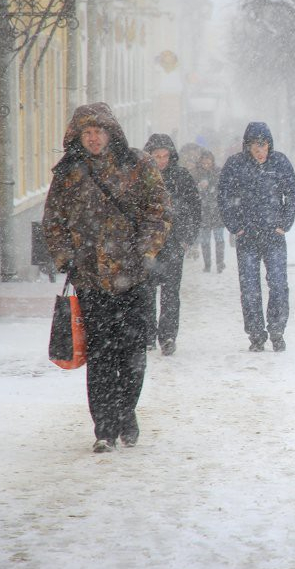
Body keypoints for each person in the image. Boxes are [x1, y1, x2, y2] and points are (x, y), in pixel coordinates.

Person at [42, 102, 171, 453]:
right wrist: (65, 255)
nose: (94, 138)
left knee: (132, 354)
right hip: (91, 280)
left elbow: (159, 210)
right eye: (87, 132)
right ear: (77, 136)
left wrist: (147, 251)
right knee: (100, 355)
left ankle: (126, 413)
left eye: (99, 131)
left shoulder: (138, 164)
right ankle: (104, 427)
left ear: (111, 132)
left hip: (133, 278)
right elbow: (53, 220)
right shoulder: (68, 172)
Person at [218, 122, 295, 352]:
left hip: (274, 236)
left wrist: (284, 223)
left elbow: (292, 193)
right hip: (247, 237)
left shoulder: (280, 162)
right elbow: (224, 196)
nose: (260, 150)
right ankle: (255, 334)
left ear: (269, 145)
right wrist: (236, 226)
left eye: (263, 145)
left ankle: (277, 330)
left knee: (278, 284)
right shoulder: (235, 164)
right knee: (250, 288)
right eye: (255, 145)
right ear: (248, 146)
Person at [142, 133, 201, 356]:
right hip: (147, 245)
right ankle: (147, 335)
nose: (161, 160)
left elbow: (195, 208)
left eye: (165, 156)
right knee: (145, 291)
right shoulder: (141, 176)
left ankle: (167, 336)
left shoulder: (181, 176)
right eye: (157, 156)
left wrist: (187, 238)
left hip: (174, 243)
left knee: (171, 292)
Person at [193, 149, 226, 273]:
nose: (206, 164)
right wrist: (199, 187)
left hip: (216, 211)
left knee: (219, 238)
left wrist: (211, 186)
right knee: (205, 240)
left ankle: (220, 263)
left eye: (208, 161)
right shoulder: (196, 174)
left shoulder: (218, 172)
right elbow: (191, 191)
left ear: (212, 161)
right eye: (204, 162)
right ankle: (207, 265)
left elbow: (223, 188)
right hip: (203, 212)